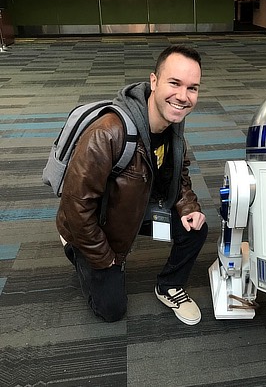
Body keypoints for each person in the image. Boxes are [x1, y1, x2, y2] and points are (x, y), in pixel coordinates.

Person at [56, 45, 208, 325]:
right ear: (154, 81)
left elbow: (179, 174)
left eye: (192, 88)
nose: (183, 97)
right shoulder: (108, 133)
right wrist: (105, 258)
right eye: (174, 83)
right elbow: (76, 206)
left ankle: (169, 286)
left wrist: (188, 206)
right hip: (95, 223)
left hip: (135, 206)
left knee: (195, 228)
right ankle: (74, 249)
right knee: (112, 311)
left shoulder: (173, 127)